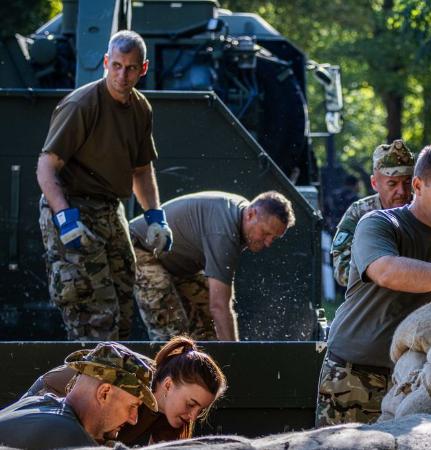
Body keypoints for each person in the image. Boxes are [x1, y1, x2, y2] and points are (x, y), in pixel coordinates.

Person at [316, 145, 431, 427]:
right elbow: (386, 271)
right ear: (418, 185)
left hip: (415, 381)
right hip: (354, 374)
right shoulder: (378, 224)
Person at [36, 30, 173, 341]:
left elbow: (141, 169)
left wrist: (156, 217)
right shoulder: (82, 104)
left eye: (131, 68)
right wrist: (65, 218)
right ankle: (80, 387)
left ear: (144, 68)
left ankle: (110, 383)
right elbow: (46, 166)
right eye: (117, 66)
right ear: (106, 62)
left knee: (124, 303)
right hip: (72, 206)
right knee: (92, 316)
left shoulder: (140, 108)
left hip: (110, 208)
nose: (122, 75)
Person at [129, 191, 295, 341]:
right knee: (173, 335)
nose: (268, 242)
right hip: (141, 248)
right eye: (266, 233)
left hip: (177, 263)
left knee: (207, 327)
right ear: (251, 214)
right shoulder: (224, 231)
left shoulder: (242, 213)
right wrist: (237, 360)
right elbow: (220, 306)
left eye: (274, 238)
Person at [24, 337, 227, 445]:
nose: (193, 416)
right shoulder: (126, 379)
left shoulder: (166, 418)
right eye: (191, 404)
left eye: (200, 410)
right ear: (167, 385)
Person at [0, 342, 157, 448]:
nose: (134, 419)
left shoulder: (36, 403)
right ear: (104, 393)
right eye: (133, 406)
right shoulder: (67, 434)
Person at [330, 139, 415, 287]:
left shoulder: (424, 209)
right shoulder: (359, 212)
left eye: (407, 182)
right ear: (374, 183)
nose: (401, 191)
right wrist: (382, 271)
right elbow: (341, 271)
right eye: (392, 184)